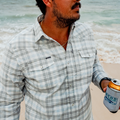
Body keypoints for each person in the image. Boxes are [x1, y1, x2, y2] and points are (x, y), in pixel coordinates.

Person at [0, 0, 114, 120]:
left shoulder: (86, 32)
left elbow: (94, 65)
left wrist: (104, 82)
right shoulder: (17, 48)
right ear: (47, 1)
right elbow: (8, 104)